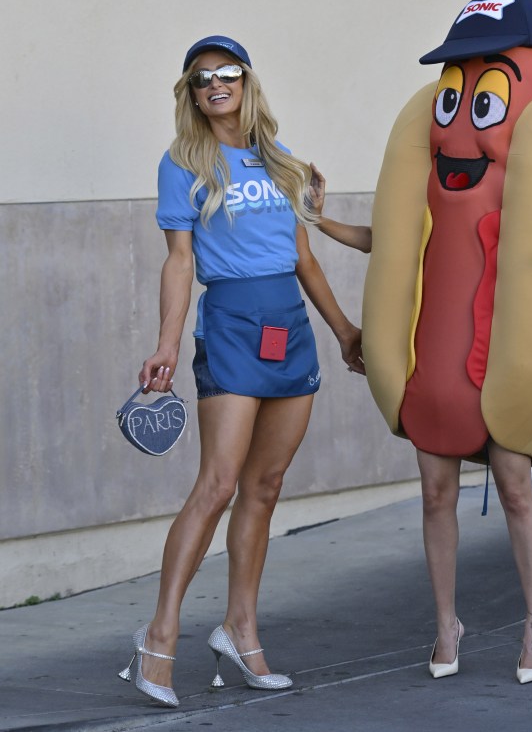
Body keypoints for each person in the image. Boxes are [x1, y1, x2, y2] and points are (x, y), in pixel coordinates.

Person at [307, 172, 532, 683]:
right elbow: (384, 240)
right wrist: (318, 219)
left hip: (502, 361)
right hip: (437, 362)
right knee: (436, 494)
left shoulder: (516, 173)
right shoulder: (434, 186)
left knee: (515, 488)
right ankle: (445, 626)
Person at [119, 35, 363, 708]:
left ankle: (240, 629)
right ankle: (159, 633)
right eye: (202, 78)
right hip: (230, 326)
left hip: (293, 326)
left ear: (246, 82)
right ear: (192, 93)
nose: (215, 84)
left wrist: (344, 331)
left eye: (226, 73)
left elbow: (304, 257)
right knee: (218, 482)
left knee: (267, 483)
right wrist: (167, 341)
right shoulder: (183, 161)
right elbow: (179, 260)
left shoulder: (281, 162)